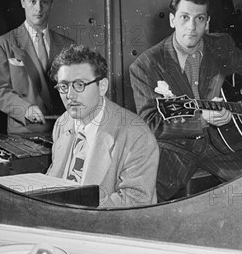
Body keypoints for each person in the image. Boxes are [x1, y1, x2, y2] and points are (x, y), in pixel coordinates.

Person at [129, 0, 242, 202]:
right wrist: (201, 119)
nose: (192, 26)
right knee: (141, 201)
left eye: (199, 18)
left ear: (207, 22)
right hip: (175, 147)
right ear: (172, 20)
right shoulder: (146, 65)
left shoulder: (221, 45)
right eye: (184, 17)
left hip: (227, 143)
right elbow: (151, 122)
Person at [47, 44, 159, 208]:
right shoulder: (63, 123)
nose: (70, 95)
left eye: (80, 85)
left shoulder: (136, 134)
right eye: (64, 86)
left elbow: (135, 202)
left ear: (102, 87)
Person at [0, 0, 74, 136]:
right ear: (22, 2)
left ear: (51, 4)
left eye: (45, 2)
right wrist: (25, 109)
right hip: (24, 131)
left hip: (65, 130)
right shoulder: (2, 44)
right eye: (33, 1)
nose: (38, 8)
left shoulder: (69, 45)